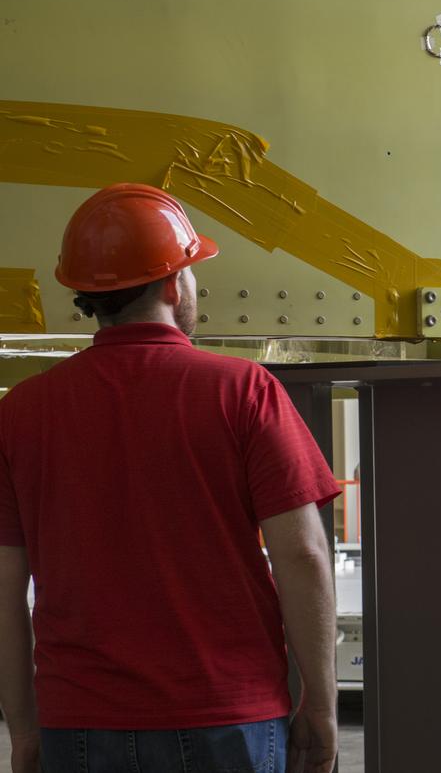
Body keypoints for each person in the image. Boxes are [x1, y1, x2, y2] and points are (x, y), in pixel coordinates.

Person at [0, 184, 340, 773]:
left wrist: (24, 728)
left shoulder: (21, 411)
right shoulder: (244, 390)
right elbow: (303, 555)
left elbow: (3, 590)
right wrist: (323, 705)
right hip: (228, 713)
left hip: (78, 720)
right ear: (171, 282)